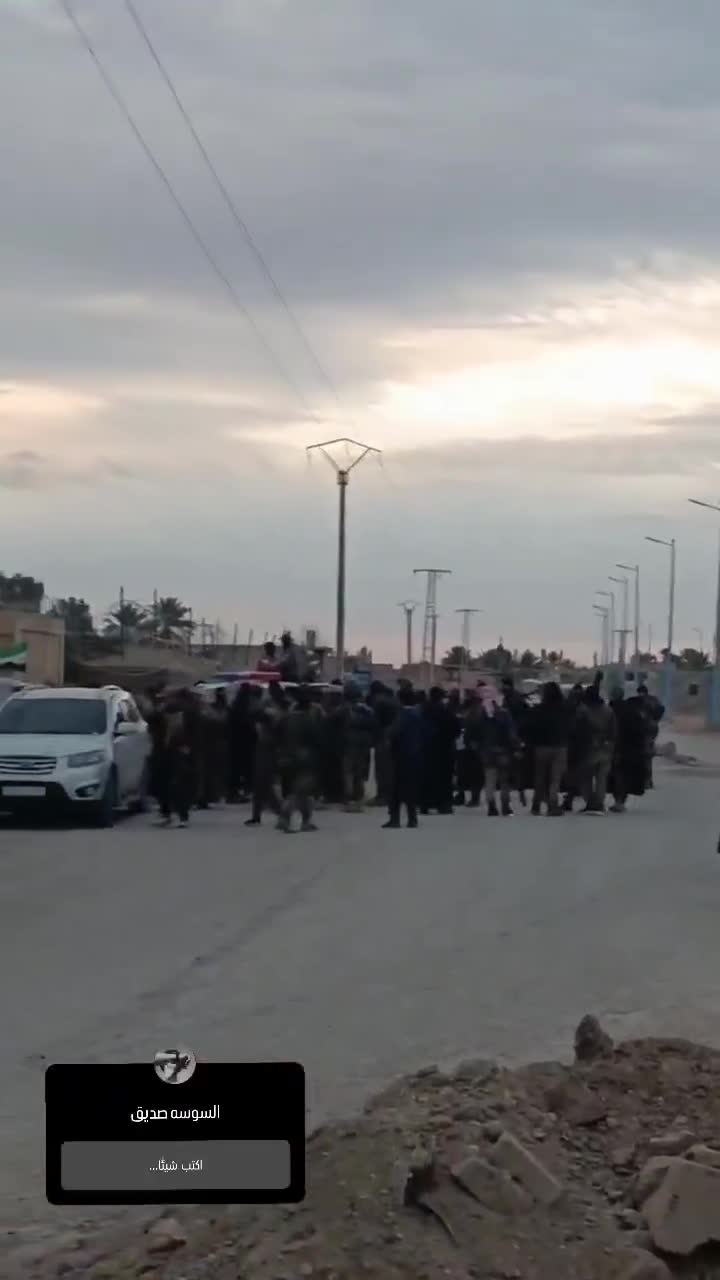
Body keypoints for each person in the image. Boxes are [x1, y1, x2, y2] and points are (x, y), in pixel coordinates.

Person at [276, 684, 322, 833]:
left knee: (298, 792)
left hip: (286, 758)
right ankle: (285, 816)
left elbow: (276, 735)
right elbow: (317, 741)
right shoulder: (309, 720)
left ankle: (305, 821)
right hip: (304, 760)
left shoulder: (286, 717)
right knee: (300, 793)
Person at [156, 688, 201, 828]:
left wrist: (187, 746)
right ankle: (170, 814)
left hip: (179, 751)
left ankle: (180, 815)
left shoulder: (188, 713)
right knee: (167, 783)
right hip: (169, 751)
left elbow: (193, 733)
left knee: (177, 784)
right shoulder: (168, 712)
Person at [529, 681, 571, 815]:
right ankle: (552, 805)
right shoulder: (564, 709)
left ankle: (536, 805)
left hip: (541, 747)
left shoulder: (538, 709)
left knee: (540, 777)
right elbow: (570, 726)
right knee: (555, 779)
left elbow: (531, 727)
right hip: (559, 746)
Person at [245, 684, 285, 825]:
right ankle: (258, 815)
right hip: (266, 746)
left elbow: (260, 714)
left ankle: (280, 812)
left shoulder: (274, 709)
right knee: (260, 784)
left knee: (263, 783)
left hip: (269, 748)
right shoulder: (273, 707)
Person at [476, 683, 518, 816]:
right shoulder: (504, 714)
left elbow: (475, 732)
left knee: (490, 780)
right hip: (503, 751)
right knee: (504, 781)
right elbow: (511, 733)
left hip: (487, 751)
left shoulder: (481, 714)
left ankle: (491, 806)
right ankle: (505, 806)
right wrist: (516, 747)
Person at [383, 686, 422, 828]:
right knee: (411, 788)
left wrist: (386, 734)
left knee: (396, 789)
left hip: (401, 755)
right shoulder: (418, 714)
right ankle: (412, 819)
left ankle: (395, 819)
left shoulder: (402, 715)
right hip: (415, 754)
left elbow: (394, 732)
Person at [577, 681, 616, 814]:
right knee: (601, 778)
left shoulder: (583, 710)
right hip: (605, 747)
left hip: (588, 747)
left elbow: (578, 729)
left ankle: (589, 802)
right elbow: (613, 729)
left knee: (586, 777)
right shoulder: (608, 710)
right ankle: (599, 803)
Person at [608, 687, 648, 813]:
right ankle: (620, 801)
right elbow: (640, 730)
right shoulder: (631, 710)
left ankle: (618, 802)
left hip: (615, 747)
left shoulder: (610, 709)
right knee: (623, 775)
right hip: (630, 748)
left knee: (616, 774)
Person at [420, 687, 459, 814]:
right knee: (444, 778)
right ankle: (444, 805)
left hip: (426, 748)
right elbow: (455, 729)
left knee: (427, 777)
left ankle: (425, 804)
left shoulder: (422, 710)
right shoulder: (446, 711)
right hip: (444, 749)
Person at [340, 684, 375, 811]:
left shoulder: (345, 709)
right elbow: (373, 726)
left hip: (349, 743)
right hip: (363, 744)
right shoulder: (368, 710)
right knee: (359, 772)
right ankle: (359, 800)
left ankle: (349, 800)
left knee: (348, 772)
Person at [637, 683, 664, 789]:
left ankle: (644, 781)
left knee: (643, 755)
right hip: (653, 728)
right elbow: (662, 708)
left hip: (643, 729)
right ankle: (648, 781)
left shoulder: (640, 701)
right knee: (648, 755)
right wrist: (656, 720)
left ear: (640, 692)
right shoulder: (654, 699)